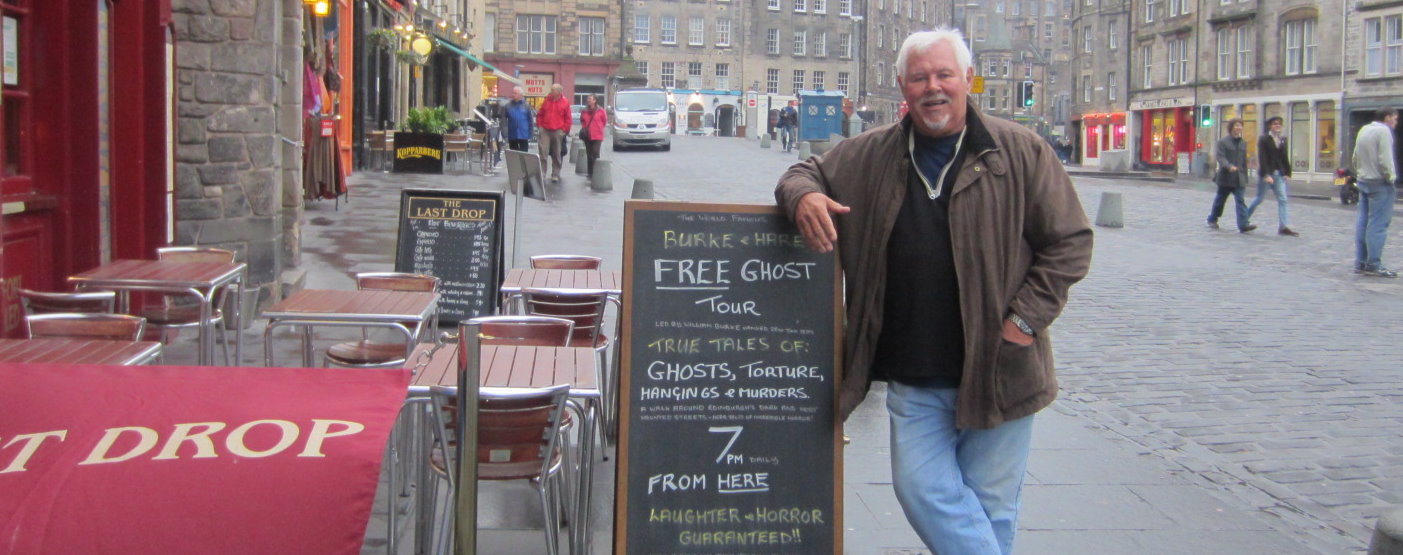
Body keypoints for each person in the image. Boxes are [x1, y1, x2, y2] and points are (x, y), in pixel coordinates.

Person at [775, 29, 1093, 554]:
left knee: (990, 510)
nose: (933, 87)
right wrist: (804, 196)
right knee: (922, 489)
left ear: (968, 80)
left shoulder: (1019, 152)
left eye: (945, 74)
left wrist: (1026, 320)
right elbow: (802, 172)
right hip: (913, 372)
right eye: (920, 77)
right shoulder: (872, 154)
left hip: (1001, 370)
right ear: (903, 85)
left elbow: (1071, 242)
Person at [1350, 107, 1399, 277]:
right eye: (1395, 118)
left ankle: (1361, 261)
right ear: (1387, 117)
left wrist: (1359, 173)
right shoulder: (1384, 132)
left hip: (1364, 180)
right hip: (1380, 183)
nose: (1396, 122)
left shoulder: (1364, 129)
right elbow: (1385, 159)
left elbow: (1355, 157)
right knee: (1378, 224)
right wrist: (1391, 178)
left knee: (1363, 222)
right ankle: (1374, 263)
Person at [1248, 116, 1298, 236]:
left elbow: (1284, 157)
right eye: (1275, 124)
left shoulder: (1282, 139)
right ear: (1270, 126)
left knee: (1283, 199)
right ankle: (1244, 218)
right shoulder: (1264, 139)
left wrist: (1287, 172)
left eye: (1279, 124)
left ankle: (1283, 226)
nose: (1277, 126)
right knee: (1259, 198)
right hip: (1267, 173)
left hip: (1278, 174)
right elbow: (1262, 157)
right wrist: (1266, 174)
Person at [1207, 119, 1257, 233]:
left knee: (1240, 200)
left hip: (1239, 178)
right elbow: (1220, 157)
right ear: (1231, 127)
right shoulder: (1223, 142)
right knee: (1220, 200)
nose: (1239, 128)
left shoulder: (1243, 143)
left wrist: (1245, 176)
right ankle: (1212, 218)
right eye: (1236, 126)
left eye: (1240, 126)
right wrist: (1229, 166)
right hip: (1225, 177)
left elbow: (1244, 161)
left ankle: (1243, 224)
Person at [537, 83, 573, 181]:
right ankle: (542, 173)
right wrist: (540, 126)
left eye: (553, 90)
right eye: (551, 89)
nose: (551, 91)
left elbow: (568, 118)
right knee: (543, 152)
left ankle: (555, 174)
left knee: (556, 153)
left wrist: (565, 130)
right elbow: (540, 114)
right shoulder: (546, 101)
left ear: (559, 92)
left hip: (558, 130)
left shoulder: (565, 102)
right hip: (545, 129)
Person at [579, 94, 607, 178]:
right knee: (589, 154)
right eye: (588, 99)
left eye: (590, 99)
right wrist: (585, 128)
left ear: (595, 100)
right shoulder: (584, 111)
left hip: (597, 135)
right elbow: (582, 120)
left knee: (595, 153)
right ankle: (590, 172)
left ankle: (596, 171)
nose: (588, 100)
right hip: (587, 135)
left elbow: (604, 121)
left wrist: (598, 127)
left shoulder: (601, 110)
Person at [502, 86, 534, 153]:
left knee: (524, 155)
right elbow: (503, 122)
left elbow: (530, 120)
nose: (513, 95)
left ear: (520, 95)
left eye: (515, 93)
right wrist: (505, 134)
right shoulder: (507, 106)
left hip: (523, 135)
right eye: (512, 93)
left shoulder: (526, 105)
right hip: (512, 134)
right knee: (514, 155)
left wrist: (530, 133)